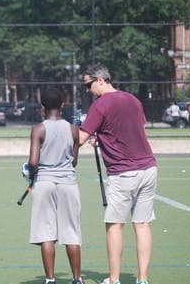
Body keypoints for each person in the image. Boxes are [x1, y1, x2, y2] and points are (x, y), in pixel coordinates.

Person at [78, 64, 157, 284]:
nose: (87, 90)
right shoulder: (133, 99)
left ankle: (114, 279)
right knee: (142, 224)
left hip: (123, 172)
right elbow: (128, 128)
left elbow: (81, 139)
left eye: (88, 84)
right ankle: (142, 279)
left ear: (100, 80)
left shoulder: (100, 104)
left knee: (114, 225)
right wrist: (101, 137)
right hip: (149, 168)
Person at [26, 87, 84, 284]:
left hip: (44, 182)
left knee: (46, 234)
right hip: (68, 183)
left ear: (42, 106)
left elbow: (33, 162)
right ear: (63, 104)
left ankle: (50, 280)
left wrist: (29, 172)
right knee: (71, 234)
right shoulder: (73, 129)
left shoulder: (38, 129)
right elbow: (74, 161)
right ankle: (77, 279)